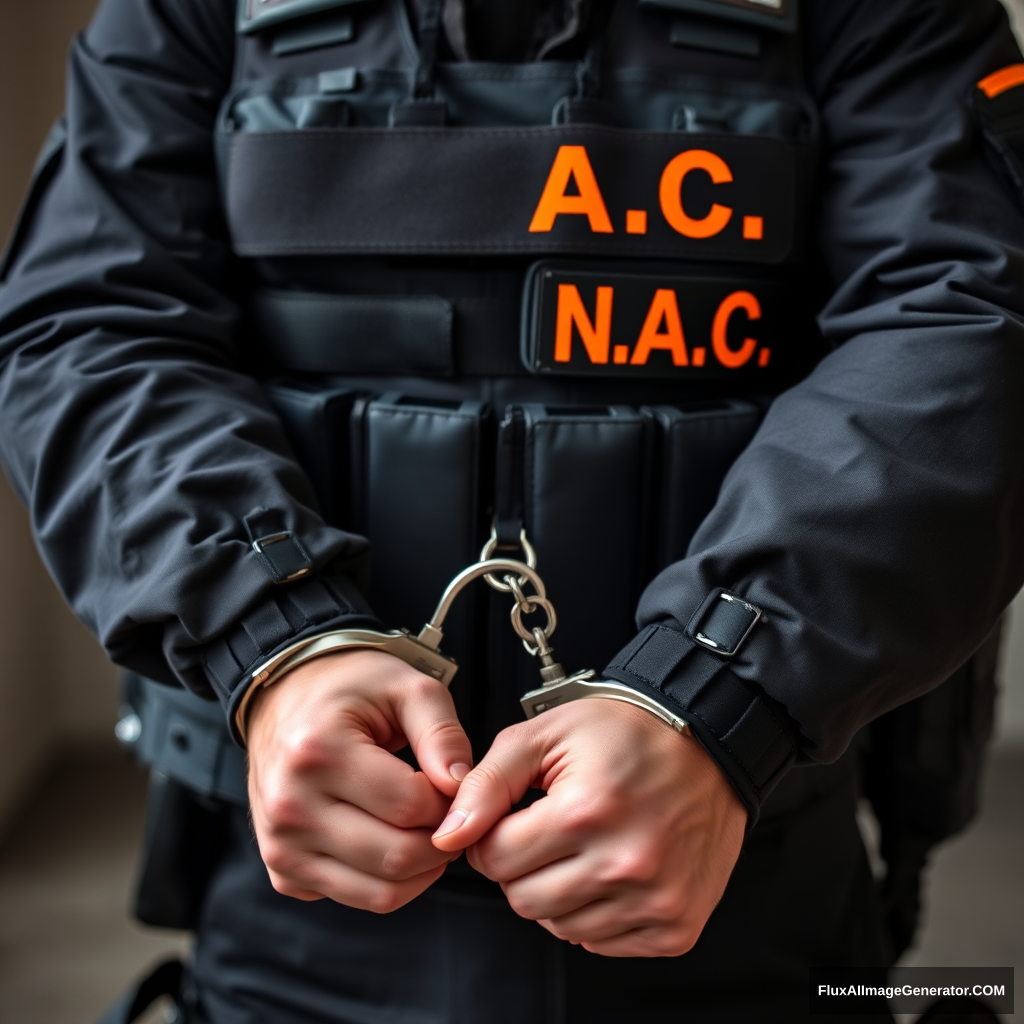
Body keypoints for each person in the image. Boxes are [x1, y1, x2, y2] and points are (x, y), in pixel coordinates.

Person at [1, 0, 1023, 1021]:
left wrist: (720, 694)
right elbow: (92, 320)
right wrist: (271, 637)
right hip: (298, 891)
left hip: (752, 857)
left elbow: (969, 318)